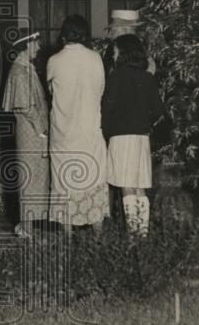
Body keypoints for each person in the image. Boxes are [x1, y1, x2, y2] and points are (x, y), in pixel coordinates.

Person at [46, 15, 110, 232]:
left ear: (64, 35)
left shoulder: (54, 61)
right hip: (89, 129)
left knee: (64, 181)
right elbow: (100, 91)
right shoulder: (96, 58)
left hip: (64, 132)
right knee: (93, 178)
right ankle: (98, 234)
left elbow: (51, 92)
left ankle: (67, 236)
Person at [101, 34, 165, 237]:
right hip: (141, 138)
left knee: (126, 187)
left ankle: (132, 237)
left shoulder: (115, 76)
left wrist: (107, 132)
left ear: (124, 52)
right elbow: (158, 110)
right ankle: (142, 234)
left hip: (120, 137)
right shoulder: (147, 77)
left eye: (116, 50)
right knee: (140, 188)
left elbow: (106, 110)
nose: (113, 54)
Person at [1, 30, 49, 238]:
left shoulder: (26, 68)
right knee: (30, 180)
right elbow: (27, 107)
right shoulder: (20, 72)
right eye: (35, 43)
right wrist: (42, 130)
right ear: (25, 46)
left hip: (33, 132)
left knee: (35, 179)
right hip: (31, 132)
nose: (38, 47)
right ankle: (26, 228)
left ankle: (28, 226)